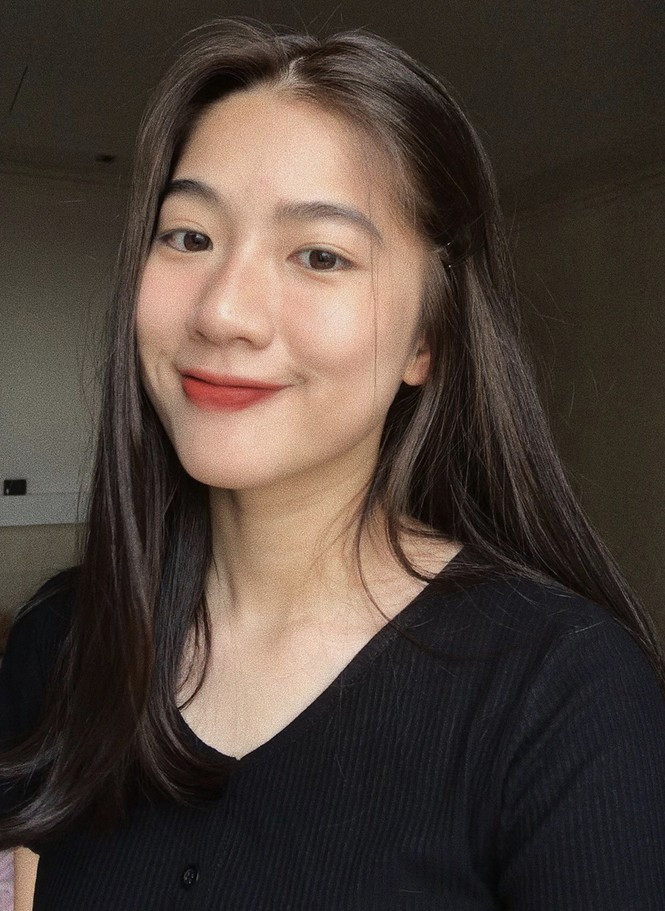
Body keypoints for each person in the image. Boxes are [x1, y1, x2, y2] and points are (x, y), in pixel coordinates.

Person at [2, 18, 665, 910]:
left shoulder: (564, 696)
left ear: (428, 339)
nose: (223, 312)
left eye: (319, 254)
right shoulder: (61, 639)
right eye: (188, 236)